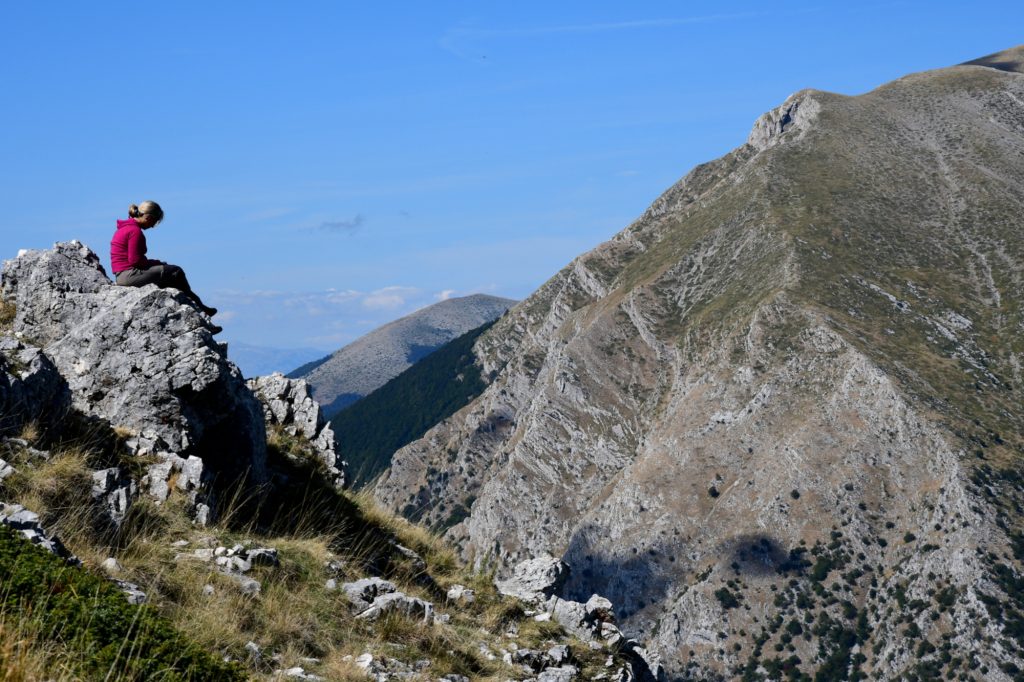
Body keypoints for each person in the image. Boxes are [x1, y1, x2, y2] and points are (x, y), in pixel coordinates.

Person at [110, 201, 222, 333]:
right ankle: (202, 311)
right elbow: (135, 260)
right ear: (148, 218)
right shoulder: (135, 231)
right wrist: (157, 263)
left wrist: (156, 264)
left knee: (171, 280)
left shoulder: (125, 228)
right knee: (176, 272)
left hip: (123, 274)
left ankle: (202, 315)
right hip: (129, 275)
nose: (153, 226)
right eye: (155, 222)